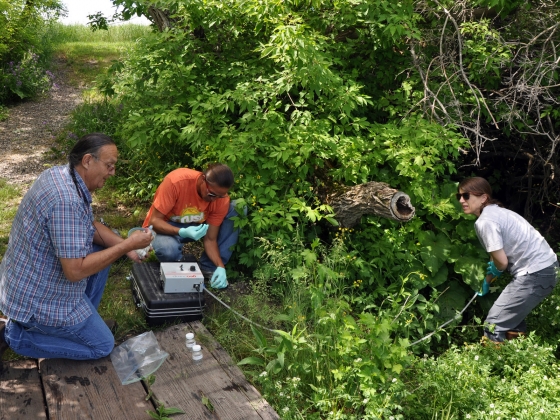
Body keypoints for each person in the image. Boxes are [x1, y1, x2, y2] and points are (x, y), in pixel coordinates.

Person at [0, 133, 153, 361]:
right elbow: (75, 272)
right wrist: (127, 245)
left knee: (103, 252)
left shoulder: (60, 175)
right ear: (88, 161)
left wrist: (126, 247)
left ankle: (78, 327)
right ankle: (16, 336)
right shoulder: (66, 201)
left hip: (27, 280)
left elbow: (88, 225)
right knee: (102, 346)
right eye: (109, 165)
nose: (113, 172)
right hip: (35, 302)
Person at [457, 177, 559, 343]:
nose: (461, 200)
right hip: (547, 268)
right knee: (512, 323)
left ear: (483, 198)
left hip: (535, 273)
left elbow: (501, 263)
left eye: (466, 196)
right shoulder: (496, 211)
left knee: (493, 325)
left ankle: (494, 366)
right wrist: (487, 281)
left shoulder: (485, 222)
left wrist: (493, 274)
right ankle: (515, 363)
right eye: (459, 197)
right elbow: (496, 255)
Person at [143, 164, 243, 289]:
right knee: (169, 250)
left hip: (195, 228)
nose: (214, 199)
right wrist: (181, 231)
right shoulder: (176, 182)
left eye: (220, 196)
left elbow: (210, 239)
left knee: (238, 207)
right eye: (212, 194)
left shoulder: (220, 199)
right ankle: (173, 262)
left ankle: (208, 269)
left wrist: (220, 266)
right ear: (202, 179)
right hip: (165, 226)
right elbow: (154, 221)